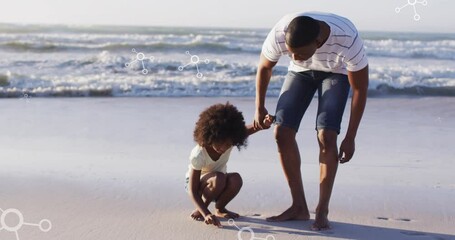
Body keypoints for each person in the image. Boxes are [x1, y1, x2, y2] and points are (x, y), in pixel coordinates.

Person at [253, 12, 369, 231]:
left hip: (337, 73)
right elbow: (265, 67)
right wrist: (259, 107)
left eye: (298, 53)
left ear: (318, 42)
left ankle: (322, 210)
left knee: (327, 135)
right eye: (290, 52)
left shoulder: (347, 37)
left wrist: (350, 137)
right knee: (281, 133)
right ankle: (299, 206)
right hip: (300, 75)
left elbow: (360, 89)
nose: (293, 57)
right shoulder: (281, 32)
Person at [186, 102, 274, 227]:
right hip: (199, 186)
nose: (224, 148)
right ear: (212, 135)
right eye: (221, 143)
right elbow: (192, 190)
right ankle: (201, 209)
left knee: (236, 179)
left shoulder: (229, 138)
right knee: (219, 178)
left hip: (218, 182)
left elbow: (252, 128)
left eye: (228, 144)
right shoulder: (198, 154)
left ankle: (220, 209)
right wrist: (205, 213)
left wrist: (264, 124)